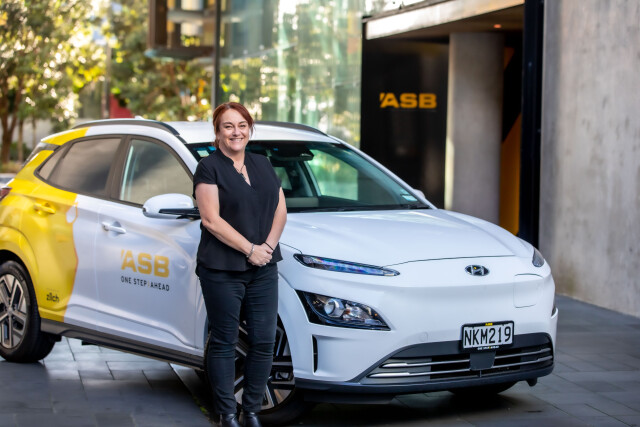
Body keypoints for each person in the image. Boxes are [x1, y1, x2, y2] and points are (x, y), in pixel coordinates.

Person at [194, 102, 287, 427]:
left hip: (264, 267)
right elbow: (211, 220)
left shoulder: (262, 163)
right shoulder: (209, 167)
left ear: (250, 129)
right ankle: (226, 414)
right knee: (224, 339)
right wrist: (250, 249)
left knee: (264, 340)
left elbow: (280, 210)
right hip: (221, 269)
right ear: (218, 132)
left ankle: (251, 412)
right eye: (228, 126)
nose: (236, 132)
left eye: (242, 125)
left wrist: (267, 248)